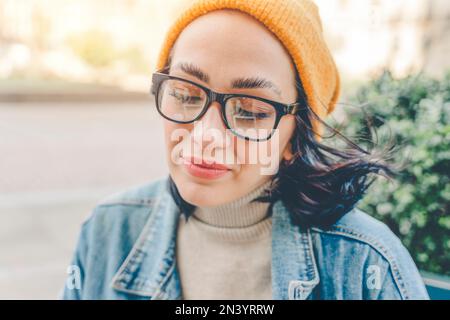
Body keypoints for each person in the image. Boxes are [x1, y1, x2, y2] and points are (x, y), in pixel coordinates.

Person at [62, 0, 429, 300]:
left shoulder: (365, 264)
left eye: (251, 111)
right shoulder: (106, 233)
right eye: (186, 95)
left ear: (295, 137)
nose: (206, 135)